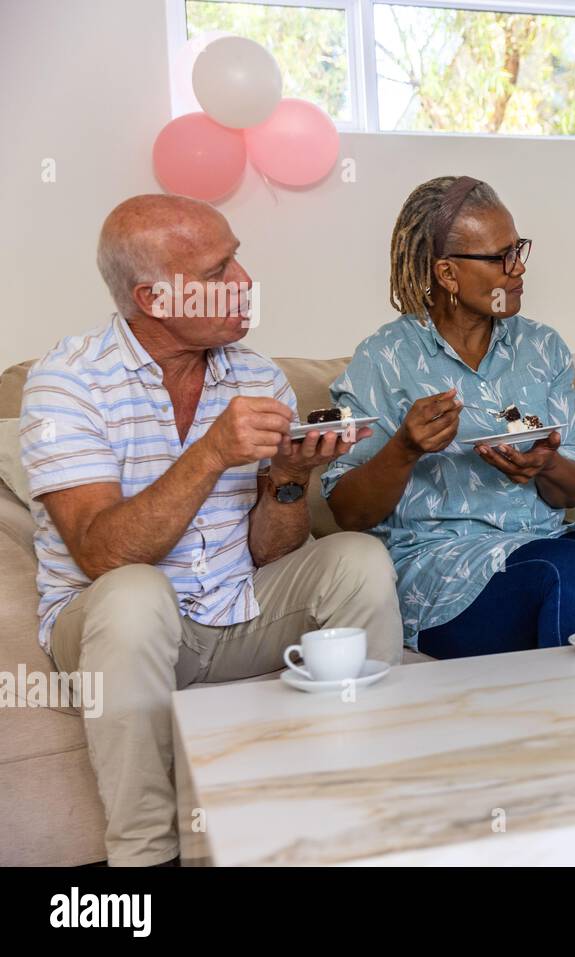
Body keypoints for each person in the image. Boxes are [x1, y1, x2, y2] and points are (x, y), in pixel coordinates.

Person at [20, 194, 402, 866]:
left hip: (233, 609)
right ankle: (144, 857)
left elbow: (272, 549)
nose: (247, 284)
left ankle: (365, 811)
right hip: (115, 626)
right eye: (219, 272)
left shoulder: (257, 376)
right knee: (137, 594)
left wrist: (287, 477)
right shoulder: (66, 381)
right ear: (154, 297)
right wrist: (212, 451)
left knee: (357, 558)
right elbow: (101, 552)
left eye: (238, 259)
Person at [322, 176, 575, 658]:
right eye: (500, 258)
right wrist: (404, 449)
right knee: (569, 569)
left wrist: (546, 464)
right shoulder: (383, 359)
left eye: (519, 250)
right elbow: (348, 511)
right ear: (447, 274)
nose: (518, 269)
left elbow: (574, 489)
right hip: (440, 570)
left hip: (541, 540)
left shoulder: (541, 347)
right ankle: (574, 730)